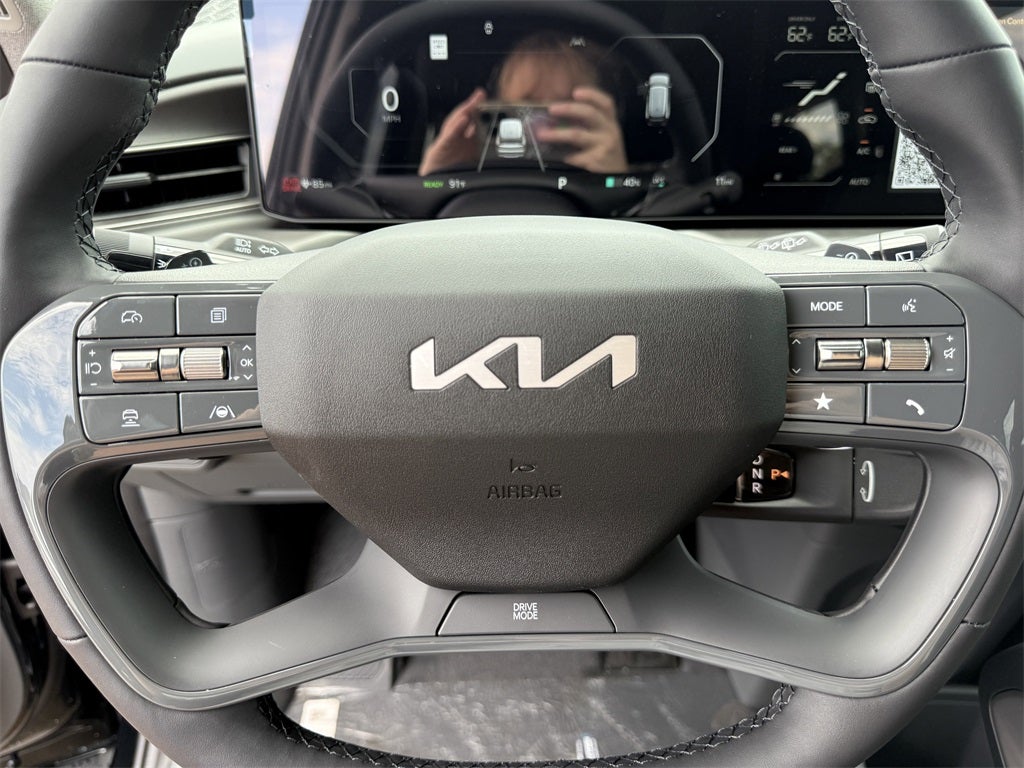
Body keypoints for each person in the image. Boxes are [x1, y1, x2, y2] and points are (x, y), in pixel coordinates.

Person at [418, 31, 628, 176]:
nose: (545, 127)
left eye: (565, 109)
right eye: (528, 107)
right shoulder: (477, 173)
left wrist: (614, 180)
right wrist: (437, 177)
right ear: (498, 114)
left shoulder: (612, 169)